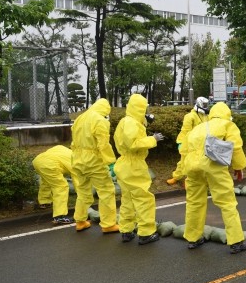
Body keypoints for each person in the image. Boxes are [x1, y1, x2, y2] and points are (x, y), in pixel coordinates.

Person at [181, 102, 246, 254]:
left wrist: (182, 174)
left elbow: (184, 152)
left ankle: (193, 239)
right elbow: (236, 147)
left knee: (194, 203)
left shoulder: (197, 128)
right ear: (227, 114)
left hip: (192, 168)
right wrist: (238, 167)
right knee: (227, 202)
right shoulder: (227, 125)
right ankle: (236, 241)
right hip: (213, 166)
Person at [113, 94, 165, 245]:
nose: (147, 111)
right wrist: (152, 139)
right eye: (145, 108)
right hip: (133, 165)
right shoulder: (132, 123)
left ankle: (126, 230)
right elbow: (133, 143)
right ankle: (146, 233)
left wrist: (145, 123)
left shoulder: (126, 121)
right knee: (144, 199)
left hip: (124, 164)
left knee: (128, 199)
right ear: (140, 108)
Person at [71, 98, 119, 233]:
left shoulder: (79, 118)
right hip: (93, 161)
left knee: (83, 192)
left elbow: (74, 140)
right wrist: (110, 162)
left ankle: (80, 221)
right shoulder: (100, 120)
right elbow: (103, 144)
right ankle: (108, 224)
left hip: (77, 159)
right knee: (106, 191)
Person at [166, 97, 209, 186]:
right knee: (184, 161)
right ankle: (176, 177)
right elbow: (185, 131)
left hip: (201, 144)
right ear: (199, 104)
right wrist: (181, 143)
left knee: (197, 163)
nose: (206, 107)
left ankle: (189, 180)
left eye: (206, 105)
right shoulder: (190, 116)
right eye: (204, 105)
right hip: (189, 143)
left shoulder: (206, 116)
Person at [32, 145, 78, 225]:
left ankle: (44, 202)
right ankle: (59, 216)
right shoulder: (75, 160)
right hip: (50, 165)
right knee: (61, 187)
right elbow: (78, 182)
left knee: (46, 181)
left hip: (37, 161)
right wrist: (83, 197)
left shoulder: (61, 147)